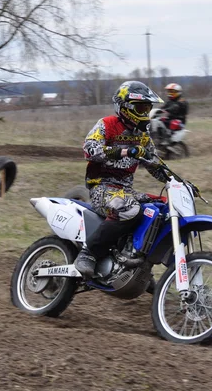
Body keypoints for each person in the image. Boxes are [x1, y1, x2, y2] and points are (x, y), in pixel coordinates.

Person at [74, 81, 169, 278]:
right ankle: (89, 253)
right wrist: (125, 151)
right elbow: (89, 150)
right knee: (129, 208)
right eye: (140, 108)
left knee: (162, 208)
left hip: (126, 189)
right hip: (101, 187)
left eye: (147, 108)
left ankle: (138, 268)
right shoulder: (107, 124)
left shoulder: (143, 135)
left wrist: (176, 182)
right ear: (125, 108)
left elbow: (154, 164)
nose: (144, 113)